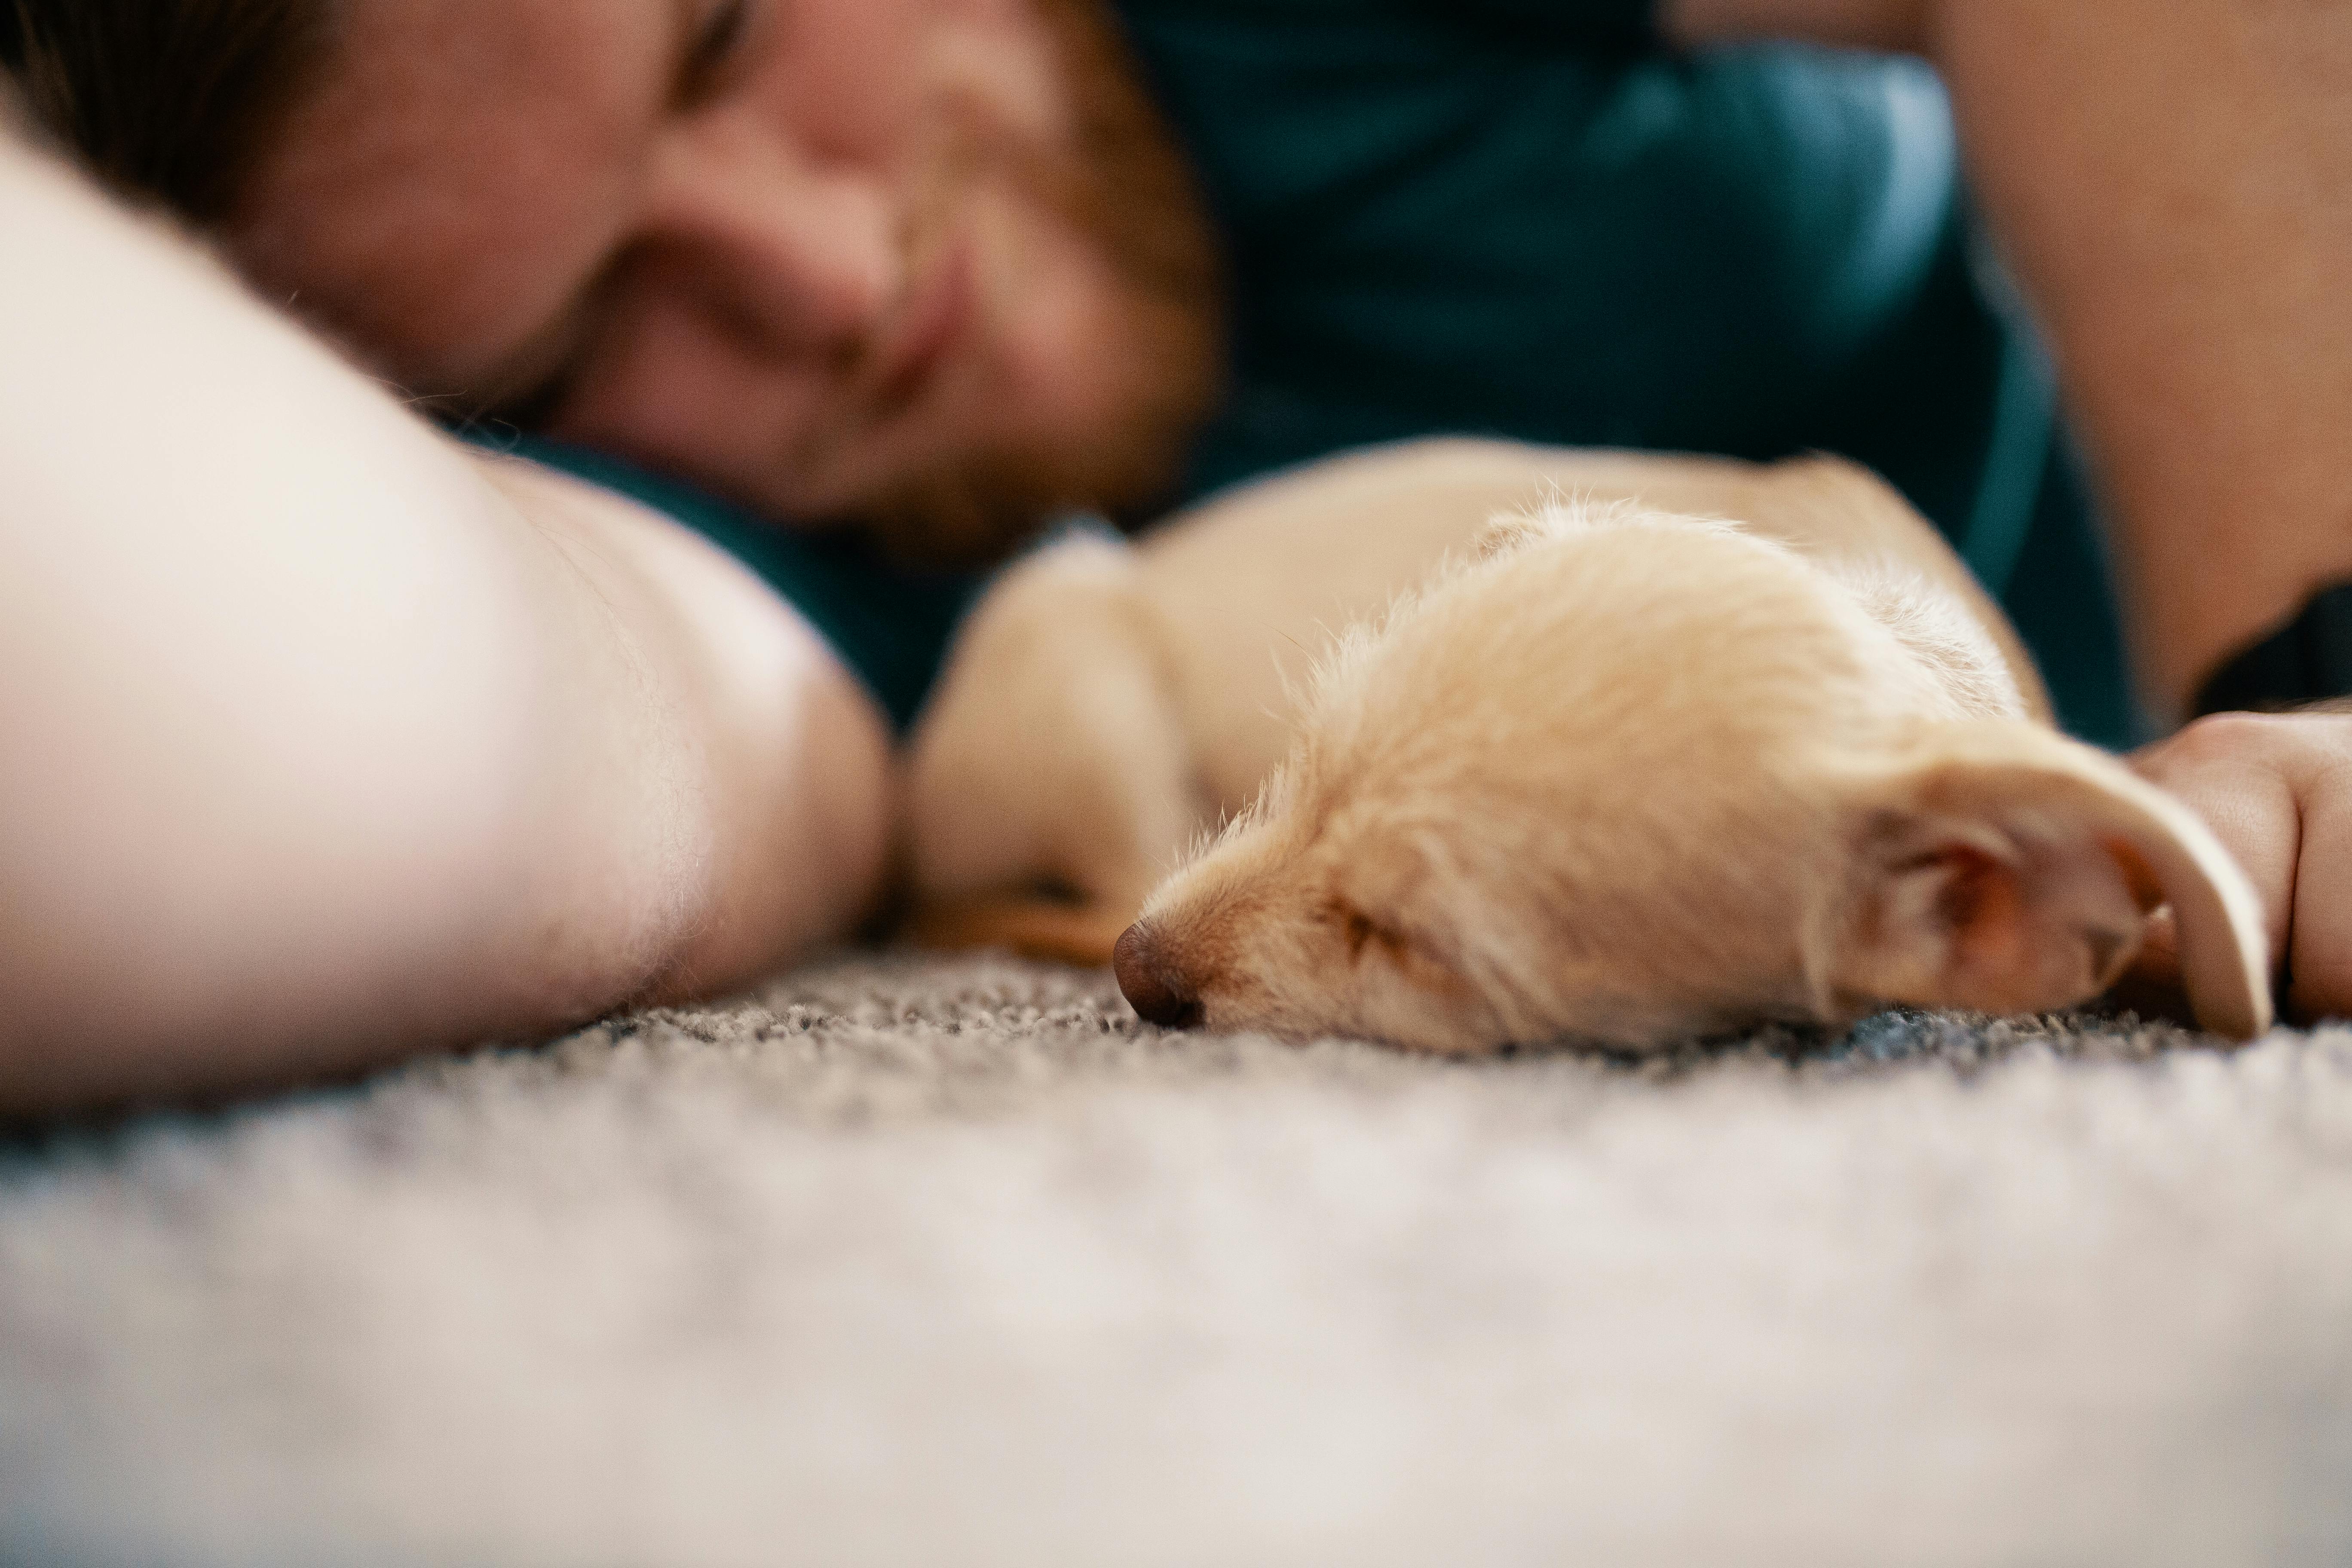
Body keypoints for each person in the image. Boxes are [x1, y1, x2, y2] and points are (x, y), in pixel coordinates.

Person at [4, 0, 2351, 1114]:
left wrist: (2318, 681)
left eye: (726, 37)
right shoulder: (814, 589)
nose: (829, 281)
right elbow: (406, 669)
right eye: (586, 321)